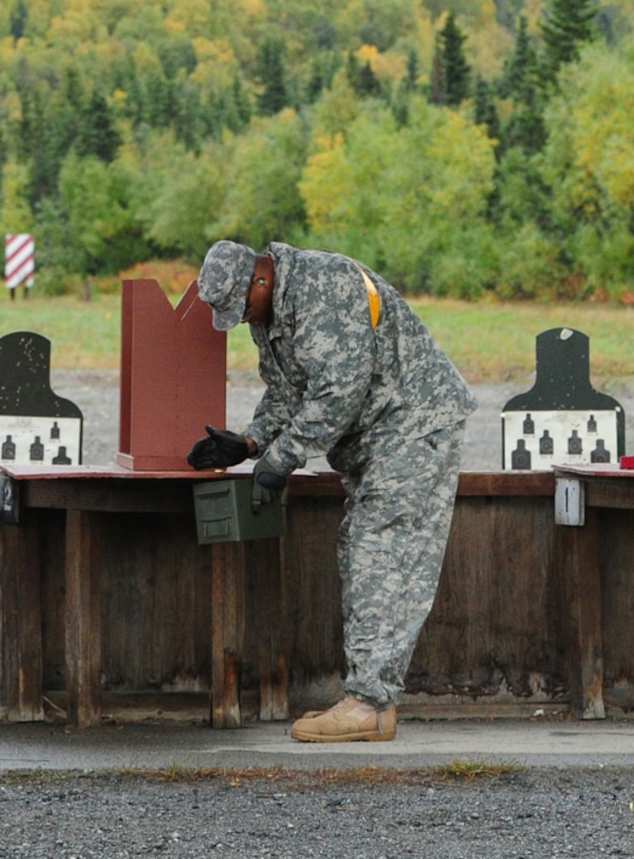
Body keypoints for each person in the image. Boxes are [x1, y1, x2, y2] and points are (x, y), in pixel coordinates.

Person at [189, 238, 474, 742]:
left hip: (413, 427)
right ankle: (366, 697)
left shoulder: (326, 286)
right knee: (360, 550)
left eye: (242, 308)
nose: (240, 320)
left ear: (261, 278)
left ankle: (370, 704)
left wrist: (282, 456)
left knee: (379, 552)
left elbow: (339, 390)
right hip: (378, 439)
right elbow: (287, 392)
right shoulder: (271, 313)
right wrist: (251, 441)